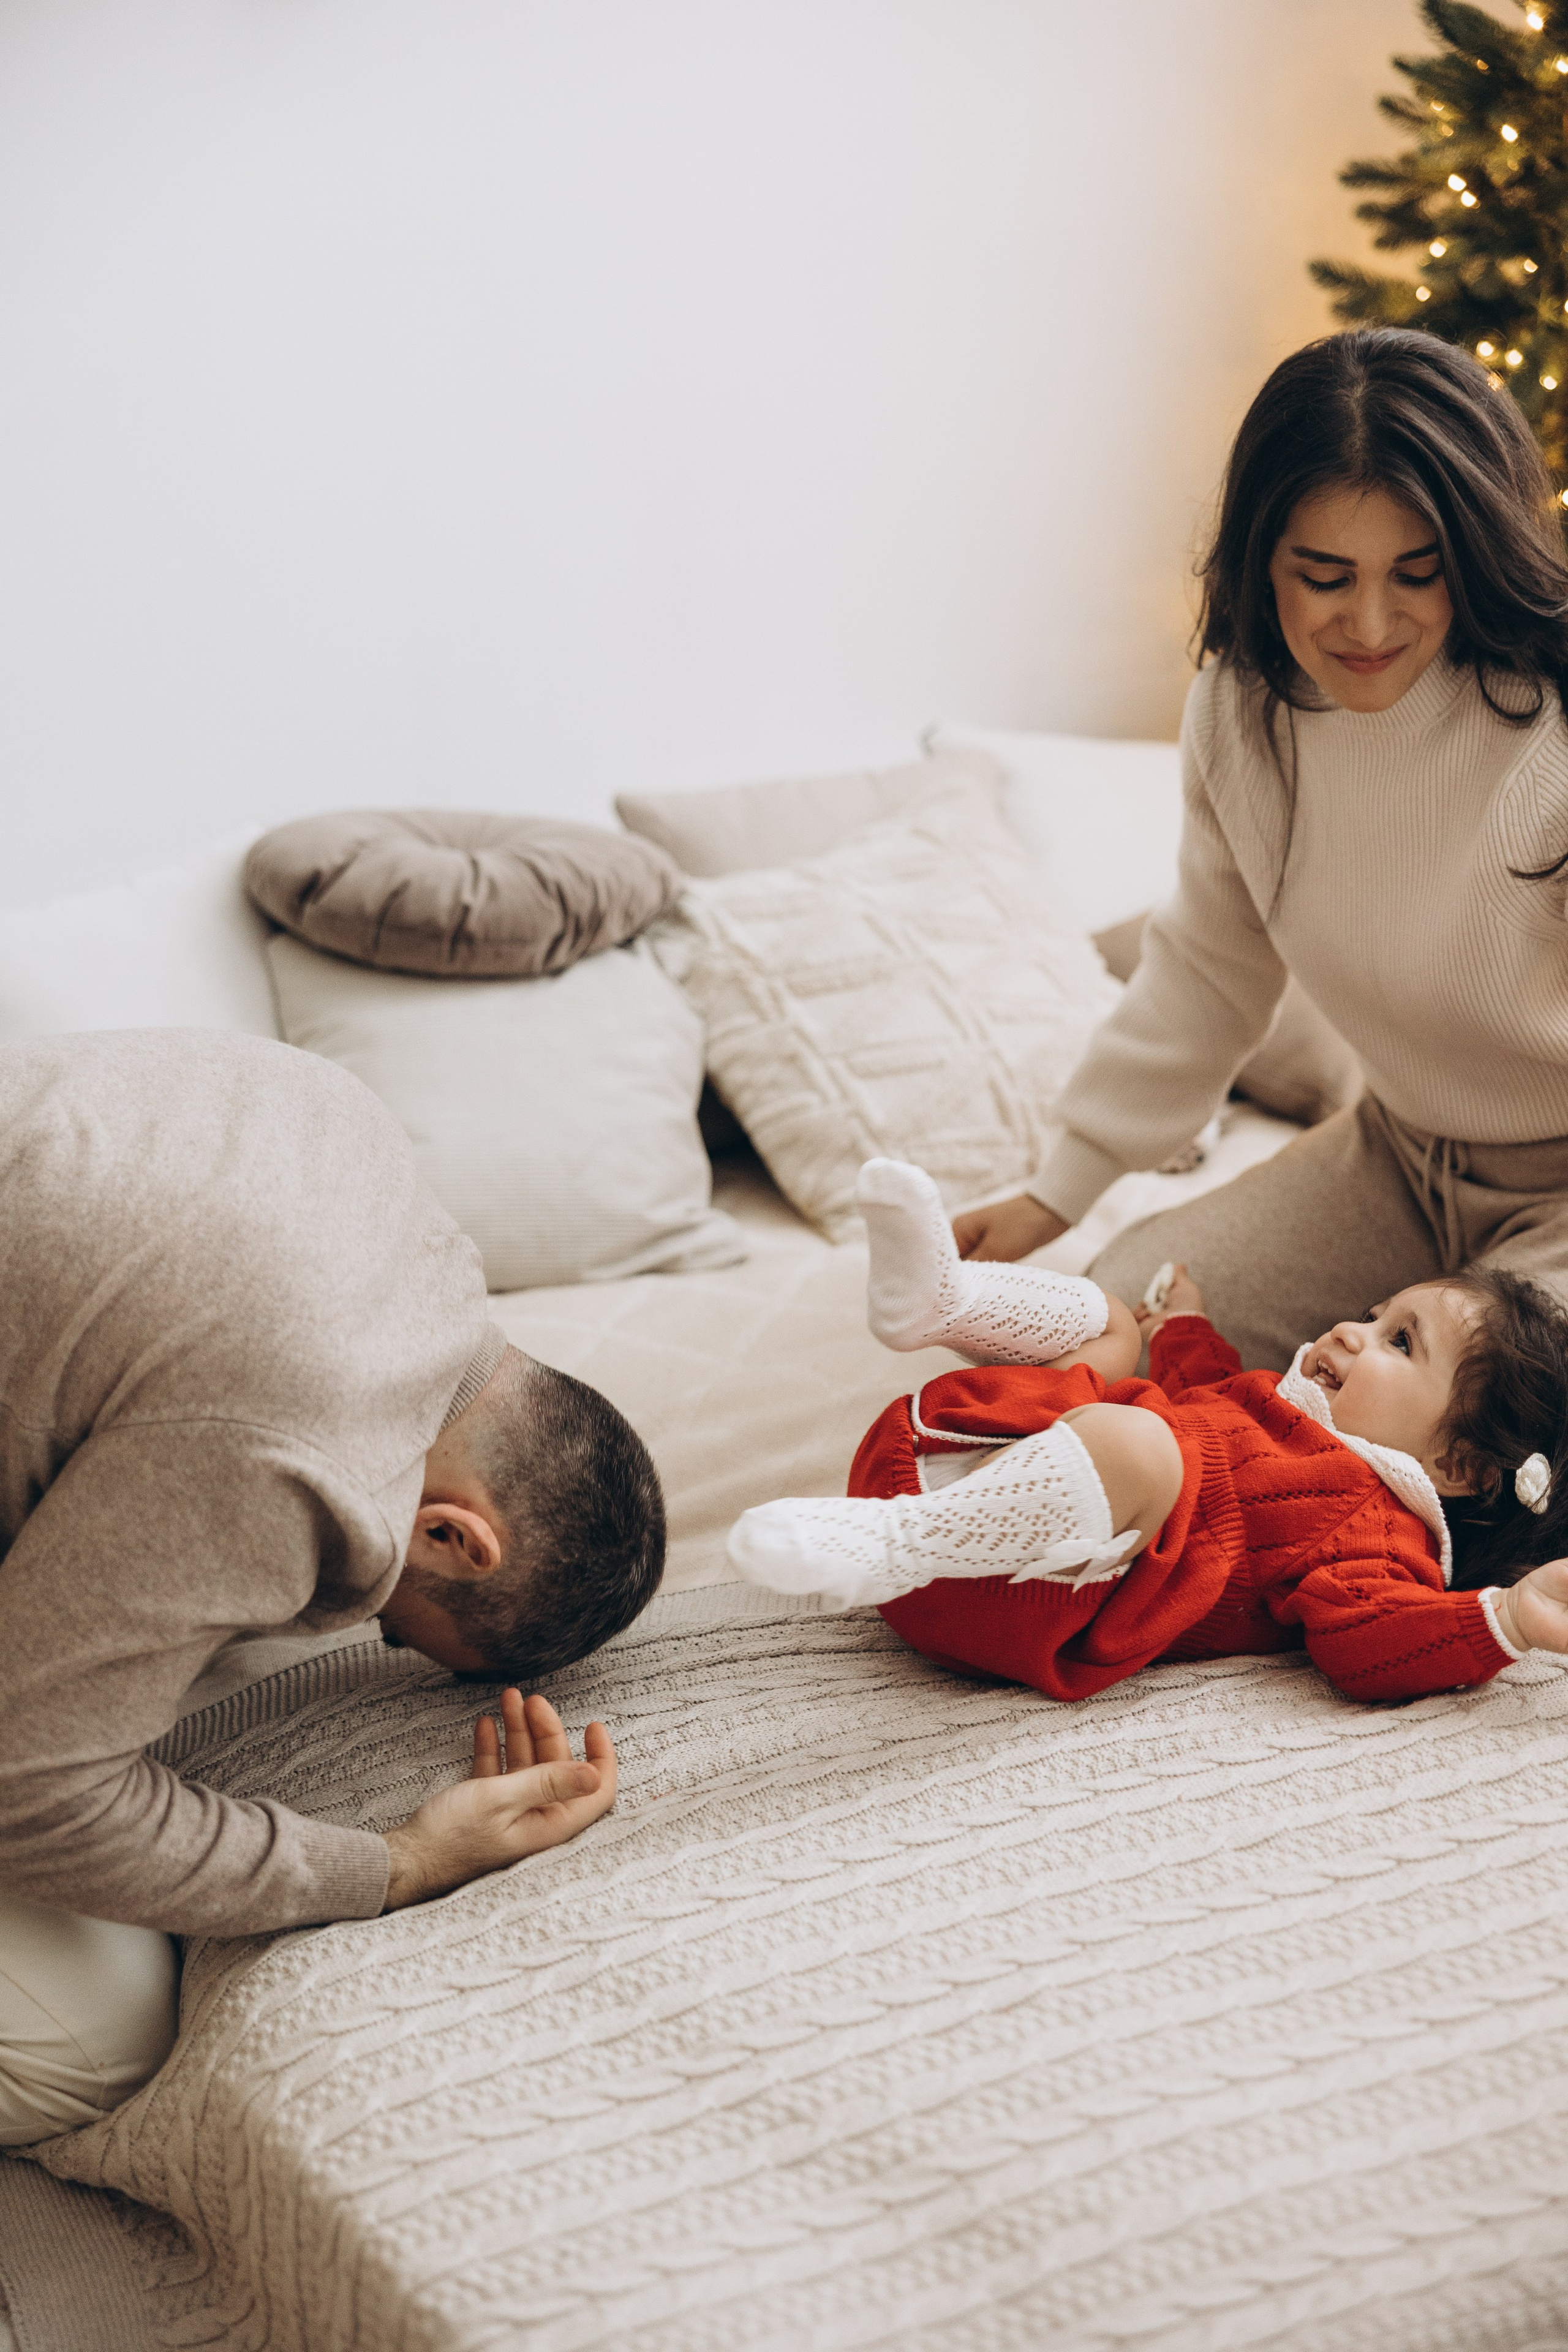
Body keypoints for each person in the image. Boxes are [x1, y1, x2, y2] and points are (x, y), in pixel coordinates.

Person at [0, 1028, 663, 2146]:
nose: (340, 1620)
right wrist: (399, 1863)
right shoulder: (298, 1446)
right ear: (456, 1538)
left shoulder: (345, 1125)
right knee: (96, 2049)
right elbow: (33, 1796)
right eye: (397, 1628)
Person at [951, 328, 1568, 1369]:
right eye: (1324, 576)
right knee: (1109, 1329)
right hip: (1397, 1158)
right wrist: (1060, 1191)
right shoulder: (1242, 716)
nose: (1371, 623)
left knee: (1476, 1445)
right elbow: (1204, 973)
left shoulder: (1547, 729)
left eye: (1418, 574)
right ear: (1262, 562)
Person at [728, 1159, 1568, 1702]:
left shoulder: (1381, 1538)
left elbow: (1374, 1642)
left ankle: (897, 1542)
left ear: (1458, 1465)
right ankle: (938, 1306)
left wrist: (1507, 1620)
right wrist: (1182, 1326)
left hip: (1009, 1592)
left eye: (1399, 1342)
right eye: (1373, 1312)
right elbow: (1201, 1389)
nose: (1353, 1330)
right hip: (954, 1460)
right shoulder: (1279, 1409)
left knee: (1144, 1444)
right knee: (1112, 1327)